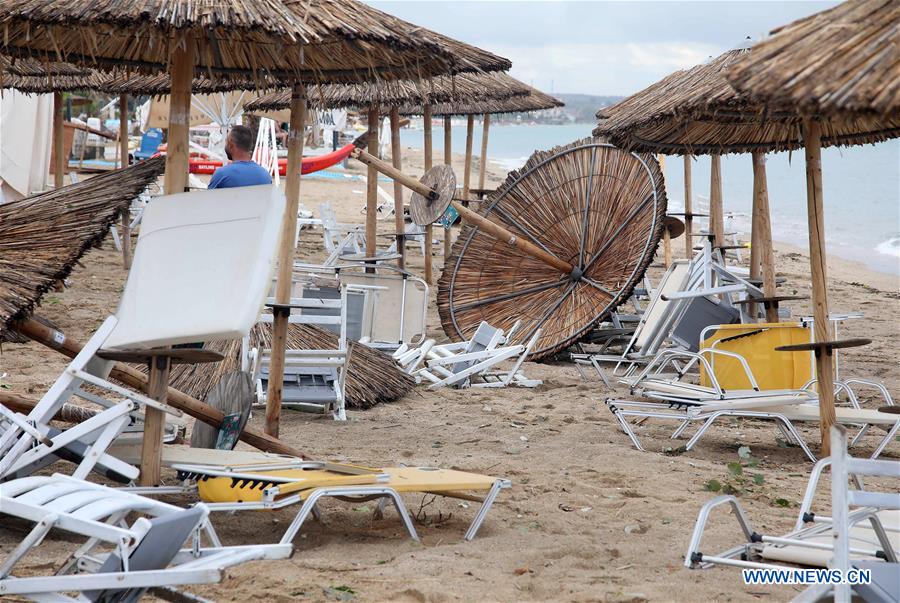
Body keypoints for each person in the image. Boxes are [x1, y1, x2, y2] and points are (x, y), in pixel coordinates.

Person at [207, 125, 272, 189]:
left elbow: (208, 198)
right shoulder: (265, 176)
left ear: (231, 144)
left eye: (226, 141)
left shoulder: (222, 175)